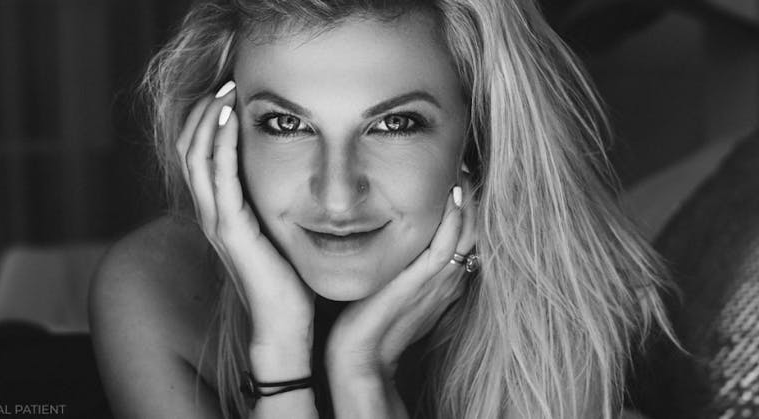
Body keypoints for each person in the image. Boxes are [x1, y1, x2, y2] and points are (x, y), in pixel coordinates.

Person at [89, 0, 673, 418]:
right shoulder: (156, 285)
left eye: (395, 123)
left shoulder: (564, 305)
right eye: (286, 124)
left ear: (478, 134)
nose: (337, 195)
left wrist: (360, 374)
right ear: (228, 135)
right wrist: (282, 360)